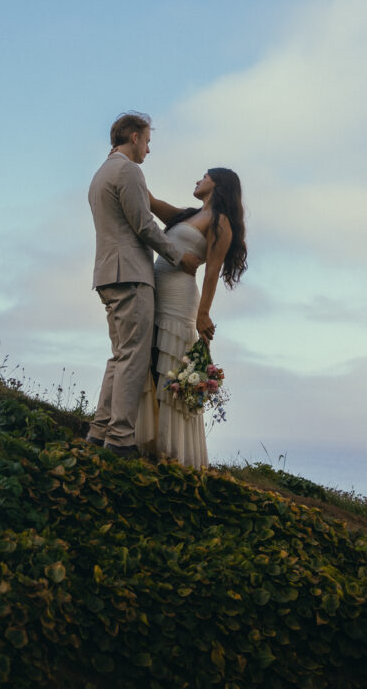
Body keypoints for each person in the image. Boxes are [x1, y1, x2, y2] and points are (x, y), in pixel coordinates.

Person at [87, 112, 202, 458]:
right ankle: (120, 438)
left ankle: (100, 429)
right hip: (131, 275)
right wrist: (178, 257)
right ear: (134, 136)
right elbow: (144, 225)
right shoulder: (129, 170)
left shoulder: (100, 174)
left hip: (107, 273)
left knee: (120, 355)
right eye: (148, 141)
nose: (149, 150)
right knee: (134, 357)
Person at [135, 168, 247, 467]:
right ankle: (146, 440)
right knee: (151, 364)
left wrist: (203, 314)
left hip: (179, 298)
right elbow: (150, 201)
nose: (198, 180)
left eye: (204, 176)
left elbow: (211, 272)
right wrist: (126, 160)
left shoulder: (219, 221)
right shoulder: (187, 214)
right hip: (157, 292)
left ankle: (172, 451)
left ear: (218, 185)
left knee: (169, 370)